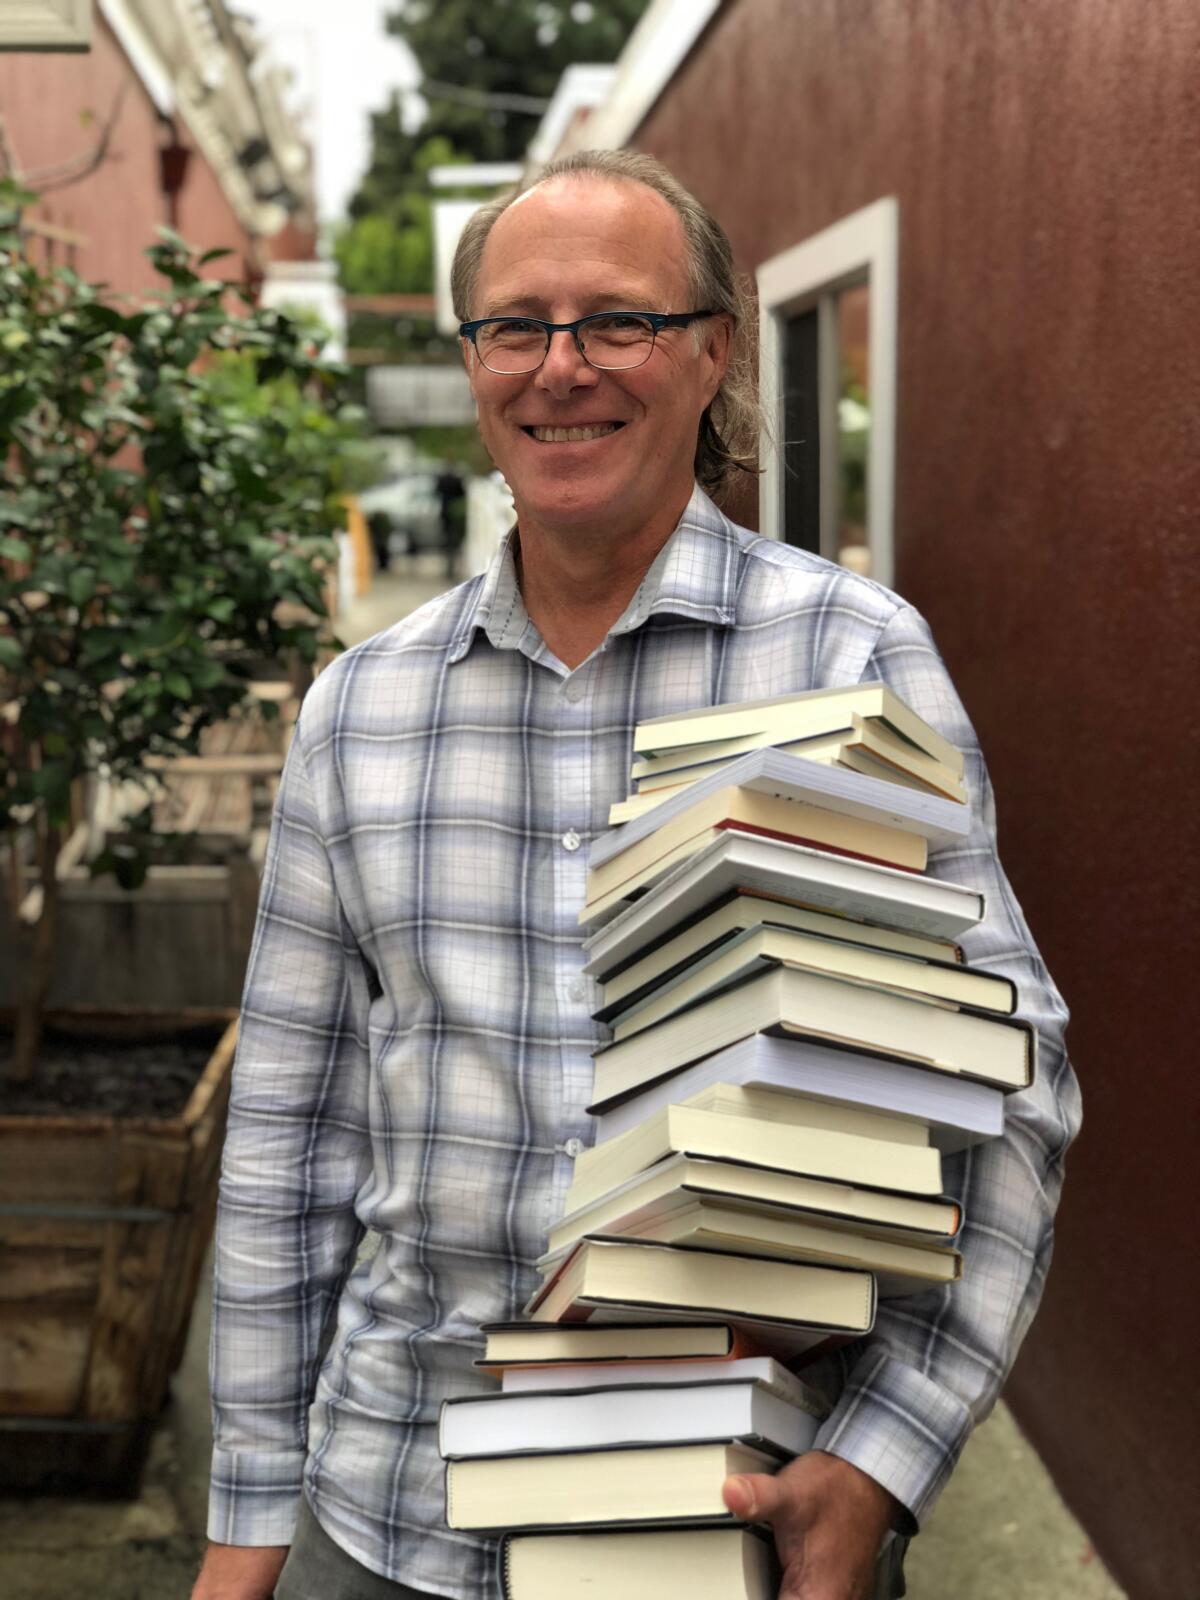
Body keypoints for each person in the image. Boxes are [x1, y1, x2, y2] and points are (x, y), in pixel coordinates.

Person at [192, 150, 1079, 1600]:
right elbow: (292, 1129)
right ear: (472, 359)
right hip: (386, 1501)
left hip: (723, 1514)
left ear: (716, 348)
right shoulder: (360, 707)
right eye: (515, 326)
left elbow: (1012, 1093)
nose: (562, 369)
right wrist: (245, 1522)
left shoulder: (852, 662)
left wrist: (879, 1464)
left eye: (620, 321)